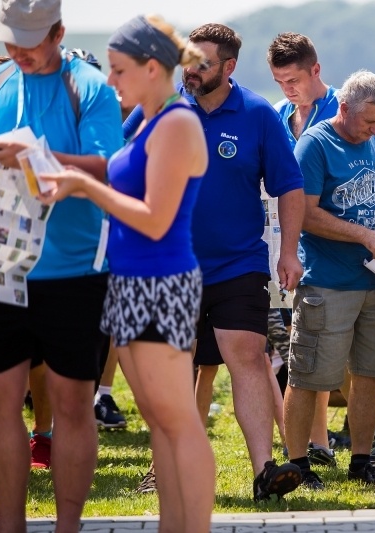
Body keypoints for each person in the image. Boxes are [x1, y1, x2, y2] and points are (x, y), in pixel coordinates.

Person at [40, 14, 216, 532]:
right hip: (133, 283)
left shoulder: (178, 123)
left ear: (152, 67)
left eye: (118, 70)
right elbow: (116, 174)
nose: (110, 81)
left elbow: (155, 219)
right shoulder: (147, 118)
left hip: (160, 284)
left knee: (180, 423)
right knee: (161, 424)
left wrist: (83, 187)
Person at [124, 22, 305, 502]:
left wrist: (287, 251)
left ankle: (266, 471)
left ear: (228, 67)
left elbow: (290, 186)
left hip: (239, 264)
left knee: (247, 356)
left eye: (201, 63)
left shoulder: (258, 115)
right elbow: (118, 160)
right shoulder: (162, 107)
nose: (191, 71)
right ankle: (164, 469)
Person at [0, 1, 123, 530]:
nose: (18, 51)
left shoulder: (88, 87)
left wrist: (33, 155)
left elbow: (109, 167)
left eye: (31, 41)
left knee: (71, 405)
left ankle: (69, 525)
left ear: (60, 33)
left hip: (75, 272)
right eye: (10, 39)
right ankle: (9, 525)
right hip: (2, 268)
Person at [284, 69, 375, 489]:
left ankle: (362, 462)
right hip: (326, 283)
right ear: (343, 108)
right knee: (309, 376)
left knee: (371, 374)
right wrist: (365, 234)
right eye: (368, 122)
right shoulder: (315, 145)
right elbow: (304, 213)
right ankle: (297, 466)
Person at [267, 30, 341, 467]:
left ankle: (322, 440)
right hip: (282, 245)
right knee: (297, 348)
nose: (287, 89)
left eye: (293, 79)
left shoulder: (342, 111)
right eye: (278, 81)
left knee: (319, 349)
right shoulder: (277, 115)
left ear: (315, 69)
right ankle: (311, 442)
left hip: (330, 245)